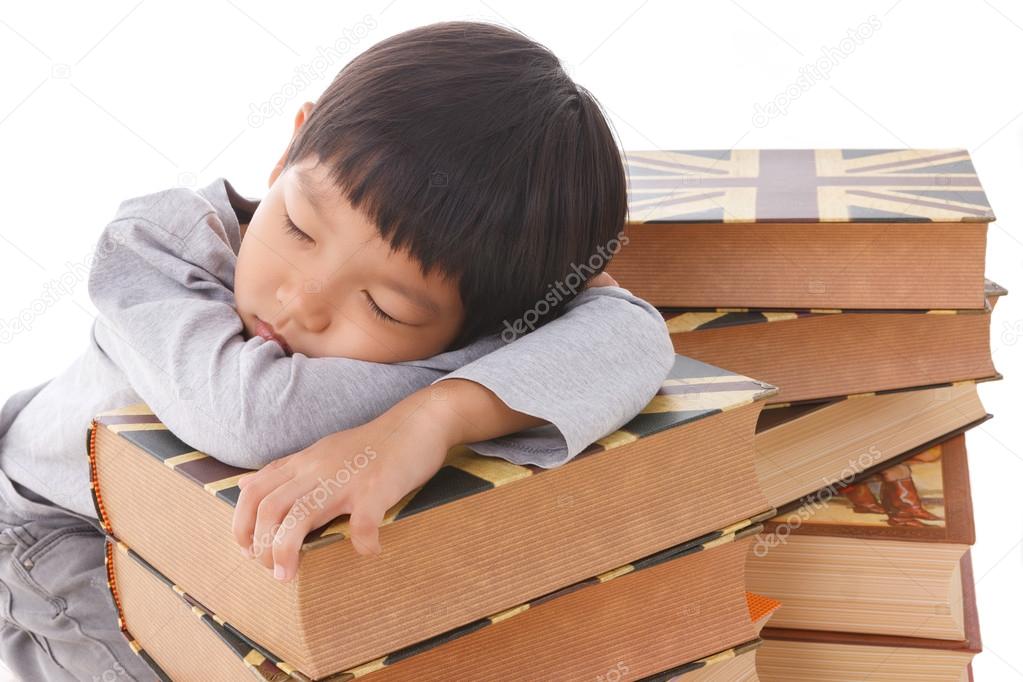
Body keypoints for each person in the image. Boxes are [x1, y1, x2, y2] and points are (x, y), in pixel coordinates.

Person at [0, 20, 674, 680]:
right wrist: (489, 364)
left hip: (226, 560)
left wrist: (432, 419)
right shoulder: (156, 243)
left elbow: (638, 337)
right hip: (56, 537)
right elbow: (252, 417)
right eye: (297, 227)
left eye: (384, 306)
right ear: (291, 145)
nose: (300, 302)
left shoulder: (468, 326)